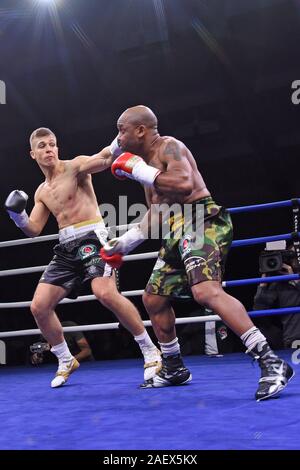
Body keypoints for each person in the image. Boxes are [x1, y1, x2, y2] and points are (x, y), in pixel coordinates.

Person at [101, 105, 294, 401]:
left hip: (202, 219)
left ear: (140, 130)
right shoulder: (144, 165)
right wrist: (125, 242)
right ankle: (174, 366)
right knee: (153, 298)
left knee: (205, 291)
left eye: (121, 130)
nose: (119, 137)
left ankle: (270, 360)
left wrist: (138, 170)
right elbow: (158, 210)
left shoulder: (170, 147)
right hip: (176, 227)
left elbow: (183, 184)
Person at [5, 127, 161, 388]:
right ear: (33, 154)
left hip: (92, 237)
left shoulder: (75, 167)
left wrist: (119, 141)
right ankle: (66, 359)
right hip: (65, 247)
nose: (49, 149)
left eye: (52, 144)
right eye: (42, 146)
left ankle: (150, 351)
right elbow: (33, 229)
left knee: (105, 293)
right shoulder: (41, 191)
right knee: (39, 307)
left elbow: (104, 158)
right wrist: (16, 215)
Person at [253, 243, 300, 349]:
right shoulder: (280, 282)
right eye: (290, 256)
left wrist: (295, 279)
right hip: (293, 339)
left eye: (296, 255)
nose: (293, 259)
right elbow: (259, 311)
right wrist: (263, 282)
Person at [30, 321, 95, 365]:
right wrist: (37, 357)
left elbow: (87, 351)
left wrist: (68, 361)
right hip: (60, 367)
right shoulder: (43, 334)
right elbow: (39, 358)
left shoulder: (69, 327)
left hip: (85, 364)